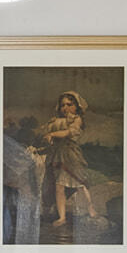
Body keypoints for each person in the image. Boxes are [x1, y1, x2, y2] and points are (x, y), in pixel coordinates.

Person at [40, 91, 96, 226]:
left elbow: (68, 132)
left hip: (71, 155)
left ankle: (91, 209)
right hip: (57, 155)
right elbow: (48, 135)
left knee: (80, 183)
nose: (65, 108)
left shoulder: (76, 119)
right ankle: (62, 217)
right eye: (63, 105)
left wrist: (53, 133)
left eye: (69, 104)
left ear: (76, 106)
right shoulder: (57, 121)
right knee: (59, 186)